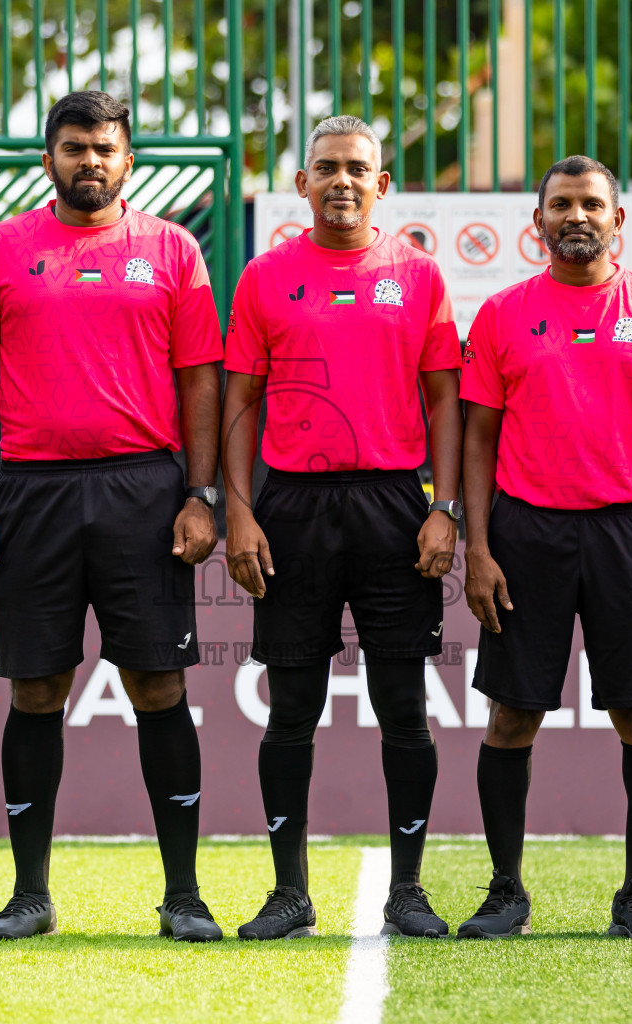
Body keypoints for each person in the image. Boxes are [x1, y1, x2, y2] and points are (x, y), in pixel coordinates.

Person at [0, 91, 224, 942]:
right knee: (37, 689)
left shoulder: (172, 250)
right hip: (31, 492)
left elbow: (202, 380)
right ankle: (30, 892)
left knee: (158, 685)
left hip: (146, 491)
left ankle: (183, 894)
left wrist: (201, 495)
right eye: (74, 148)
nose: (90, 162)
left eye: (105, 149)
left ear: (128, 160)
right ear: (49, 160)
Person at [223, 115, 462, 940]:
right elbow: (240, 404)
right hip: (292, 507)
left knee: (404, 705)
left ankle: (409, 891)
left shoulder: (419, 276)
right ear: (302, 184)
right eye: (326, 168)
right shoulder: (265, 277)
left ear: (383, 184)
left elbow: (444, 401)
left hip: (397, 505)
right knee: (292, 707)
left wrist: (446, 507)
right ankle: (289, 894)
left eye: (358, 168)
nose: (342, 182)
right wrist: (241, 512)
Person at [458, 157, 632, 942]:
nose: (577, 215)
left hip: (631, 532)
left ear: (617, 219)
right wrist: (478, 547)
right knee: (511, 718)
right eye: (561, 203)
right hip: (527, 531)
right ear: (538, 222)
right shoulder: (501, 313)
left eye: (591, 203)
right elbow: (478, 436)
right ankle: (505, 893)